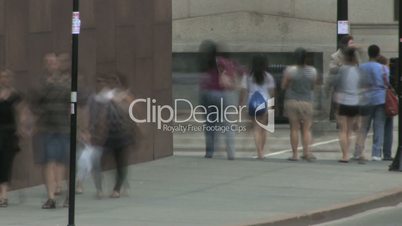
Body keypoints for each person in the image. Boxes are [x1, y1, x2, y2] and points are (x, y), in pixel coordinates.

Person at [35, 53, 70, 209]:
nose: (51, 65)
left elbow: (73, 104)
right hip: (46, 127)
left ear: (58, 65)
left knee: (62, 161)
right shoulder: (40, 83)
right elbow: (34, 104)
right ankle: (51, 197)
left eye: (53, 63)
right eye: (47, 62)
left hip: (63, 127)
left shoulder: (66, 82)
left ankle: (62, 190)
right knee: (48, 162)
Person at [199, 40, 239, 160]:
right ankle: (231, 153)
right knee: (227, 124)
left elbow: (203, 79)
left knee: (209, 124)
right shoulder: (222, 61)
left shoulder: (204, 62)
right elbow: (229, 78)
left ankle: (209, 152)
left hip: (206, 94)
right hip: (221, 94)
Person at [330, 48, 365, 163]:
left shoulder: (342, 70)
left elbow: (336, 83)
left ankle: (345, 155)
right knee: (349, 130)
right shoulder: (359, 70)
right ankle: (351, 153)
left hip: (343, 101)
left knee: (342, 130)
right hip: (355, 102)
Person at [282, 48, 317, 161]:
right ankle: (307, 153)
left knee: (294, 129)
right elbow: (312, 86)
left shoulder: (290, 70)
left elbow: (284, 86)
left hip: (292, 101)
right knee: (307, 129)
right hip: (307, 101)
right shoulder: (312, 71)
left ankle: (295, 154)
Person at [0, 70, 28, 207]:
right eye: (2, 77)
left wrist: (22, 127)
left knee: (5, 163)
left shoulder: (15, 96)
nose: (5, 79)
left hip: (9, 133)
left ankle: (3, 195)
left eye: (7, 77)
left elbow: (22, 111)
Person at [240, 55, 275, 159]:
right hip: (265, 103)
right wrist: (273, 106)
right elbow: (272, 92)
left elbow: (243, 91)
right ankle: (262, 151)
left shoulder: (247, 76)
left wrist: (241, 104)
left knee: (256, 128)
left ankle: (259, 151)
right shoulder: (268, 76)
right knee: (263, 128)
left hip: (252, 103)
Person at [359, 45, 388, 161]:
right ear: (378, 54)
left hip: (366, 98)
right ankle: (376, 153)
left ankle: (358, 151)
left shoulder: (361, 67)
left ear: (368, 54)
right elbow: (388, 83)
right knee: (379, 126)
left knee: (364, 127)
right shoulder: (383, 68)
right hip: (380, 98)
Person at [377, 55, 394, 161]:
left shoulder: (375, 71)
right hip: (389, 102)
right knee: (388, 129)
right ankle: (387, 154)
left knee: (379, 128)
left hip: (377, 100)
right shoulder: (387, 71)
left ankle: (377, 153)